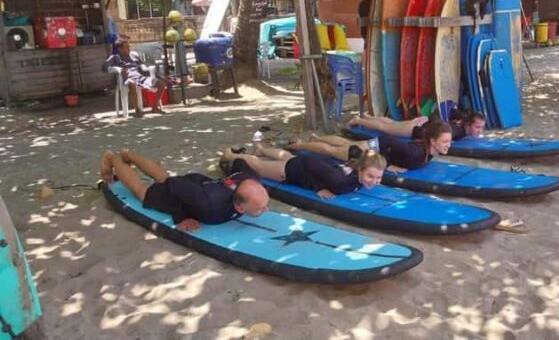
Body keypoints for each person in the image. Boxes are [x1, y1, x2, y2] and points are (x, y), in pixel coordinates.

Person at [100, 149, 269, 232]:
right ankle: (113, 158)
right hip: (190, 190)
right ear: (240, 207)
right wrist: (180, 218)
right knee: (142, 191)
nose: (266, 209)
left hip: (198, 185)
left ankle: (128, 154)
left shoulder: (253, 181)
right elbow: (173, 184)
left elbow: (240, 162)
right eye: (261, 207)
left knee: (163, 177)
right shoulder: (210, 205)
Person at [220, 144, 387, 199]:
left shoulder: (356, 175)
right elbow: (309, 162)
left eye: (378, 178)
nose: (374, 181)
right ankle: (230, 155)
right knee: (260, 166)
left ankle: (260, 147)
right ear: (360, 169)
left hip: (301, 164)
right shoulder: (339, 181)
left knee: (286, 155)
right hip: (292, 171)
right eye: (370, 176)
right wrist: (318, 187)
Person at [289, 121, 453, 173]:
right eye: (445, 141)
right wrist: (387, 164)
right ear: (432, 141)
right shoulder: (415, 152)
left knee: (344, 144)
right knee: (332, 151)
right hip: (370, 150)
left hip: (373, 147)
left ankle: (316, 137)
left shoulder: (428, 151)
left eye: (449, 141)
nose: (448, 145)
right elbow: (386, 140)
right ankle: (300, 144)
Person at [103, 38, 168, 117]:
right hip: (127, 79)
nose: (129, 48)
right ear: (120, 49)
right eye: (126, 47)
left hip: (141, 77)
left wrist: (146, 68)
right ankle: (137, 109)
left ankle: (154, 107)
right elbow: (104, 67)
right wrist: (119, 69)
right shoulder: (115, 57)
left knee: (161, 84)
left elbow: (142, 65)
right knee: (132, 83)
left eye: (129, 46)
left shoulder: (133, 55)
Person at [347, 109, 486, 142]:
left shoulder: (462, 121)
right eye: (477, 127)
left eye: (481, 127)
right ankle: (358, 121)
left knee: (392, 123)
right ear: (468, 124)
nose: (480, 131)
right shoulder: (456, 130)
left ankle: (370, 117)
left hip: (418, 124)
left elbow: (450, 113)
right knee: (384, 128)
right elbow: (437, 126)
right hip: (415, 129)